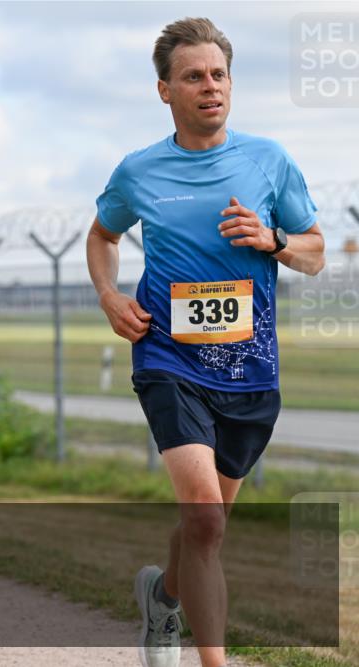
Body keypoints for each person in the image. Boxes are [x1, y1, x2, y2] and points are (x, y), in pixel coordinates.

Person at [85, 17, 325, 667]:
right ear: (165, 90)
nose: (210, 86)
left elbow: (316, 253)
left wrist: (272, 240)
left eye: (219, 74)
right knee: (206, 520)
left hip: (249, 370)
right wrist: (110, 296)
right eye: (193, 76)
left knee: (205, 526)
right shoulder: (139, 171)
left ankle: (162, 597)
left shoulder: (268, 160)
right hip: (168, 356)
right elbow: (102, 236)